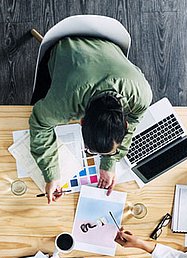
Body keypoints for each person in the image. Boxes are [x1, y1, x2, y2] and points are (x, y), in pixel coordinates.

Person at [29, 37, 153, 203]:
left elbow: (134, 120)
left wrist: (110, 162)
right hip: (66, 46)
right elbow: (39, 123)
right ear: (80, 121)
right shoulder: (64, 103)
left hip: (108, 42)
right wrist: (52, 176)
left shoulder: (142, 96)